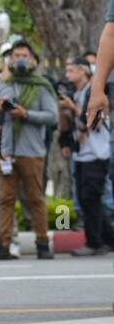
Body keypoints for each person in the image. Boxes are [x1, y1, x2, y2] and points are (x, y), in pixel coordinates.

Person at [0, 39, 58, 260]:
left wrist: (25, 114)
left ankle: (42, 244)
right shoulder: (2, 85)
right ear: (9, 59)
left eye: (24, 55)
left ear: (32, 59)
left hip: (32, 151)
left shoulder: (41, 85)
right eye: (15, 55)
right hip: (7, 151)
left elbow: (52, 116)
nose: (19, 59)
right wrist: (1, 111)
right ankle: (4, 245)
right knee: (5, 200)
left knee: (35, 199)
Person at [59, 57, 112, 255]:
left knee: (92, 198)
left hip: (97, 154)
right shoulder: (77, 93)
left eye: (71, 70)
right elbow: (66, 126)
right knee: (86, 199)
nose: (67, 75)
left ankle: (94, 242)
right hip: (81, 155)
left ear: (83, 71)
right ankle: (108, 238)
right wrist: (62, 110)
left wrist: (73, 108)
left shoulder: (94, 92)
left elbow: (95, 122)